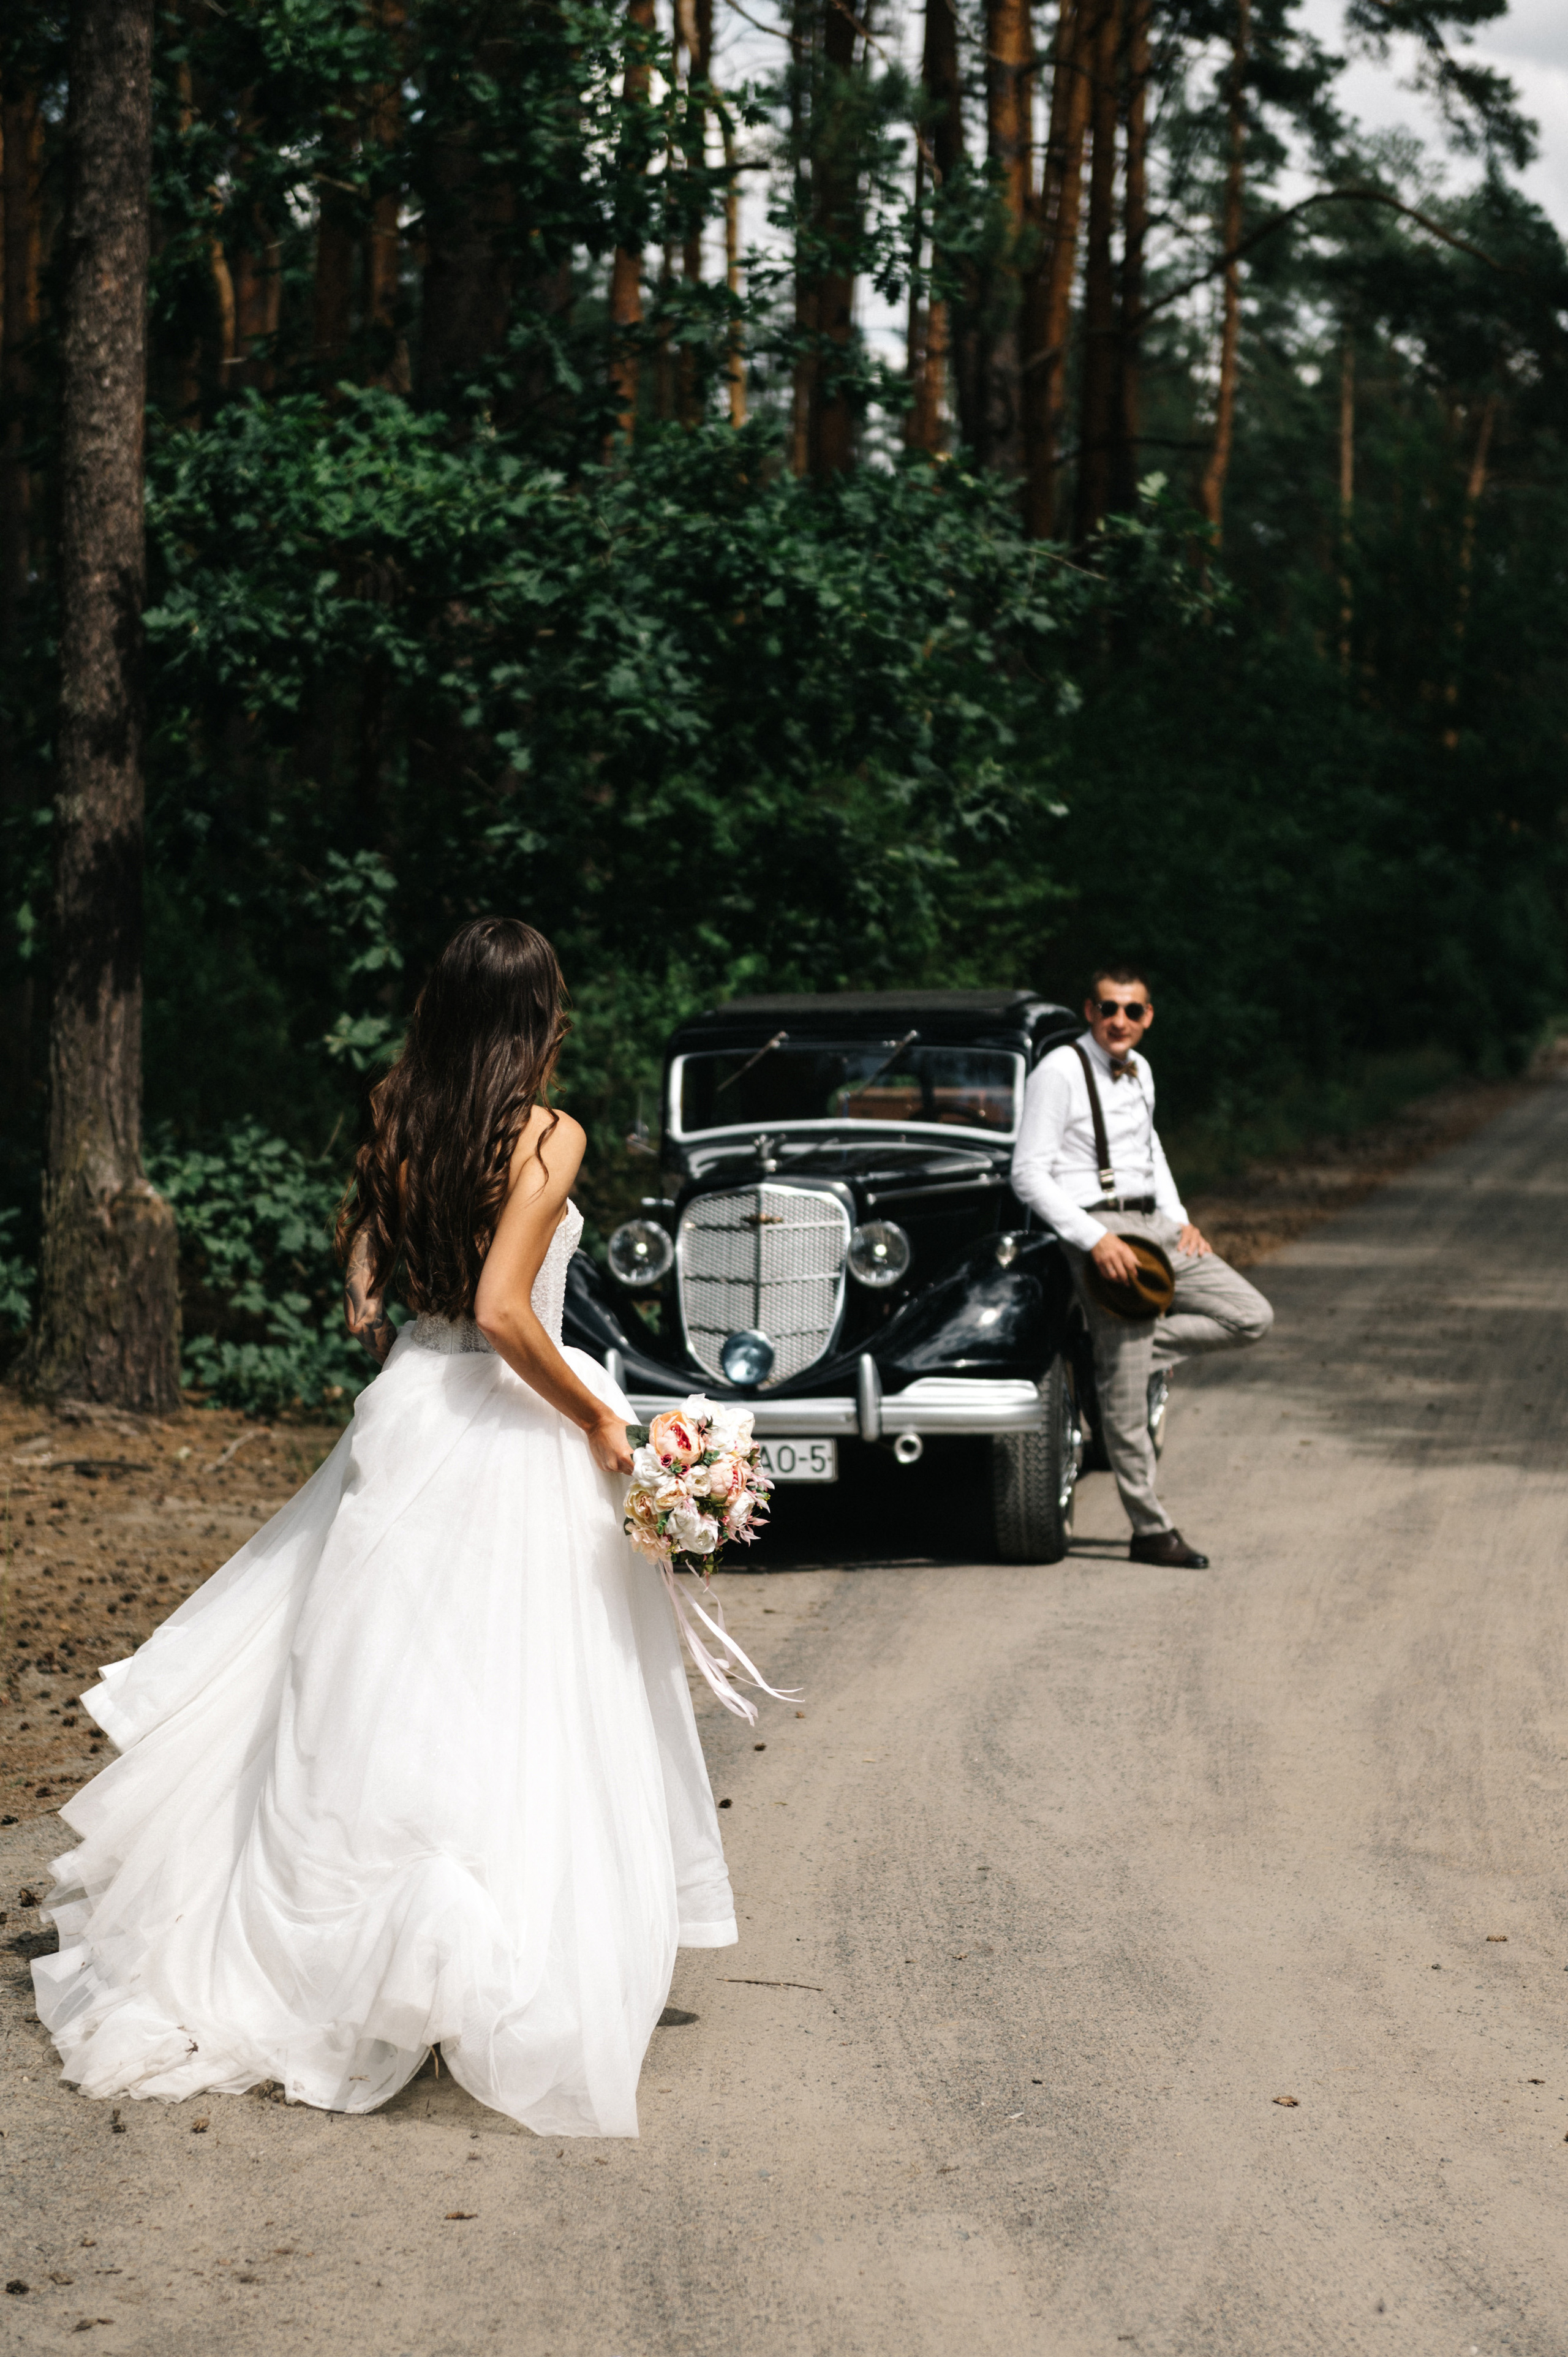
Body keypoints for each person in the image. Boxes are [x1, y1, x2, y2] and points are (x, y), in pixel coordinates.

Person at [32, 918, 737, 2137]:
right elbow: (506, 1309)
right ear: (537, 1014)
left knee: (381, 1687)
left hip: (412, 1406)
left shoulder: (401, 1106)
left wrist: (377, 1291)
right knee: (520, 1689)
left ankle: (356, 1951)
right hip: (509, 1420)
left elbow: (367, 1272)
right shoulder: (545, 1133)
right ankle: (477, 1945)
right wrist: (599, 1424)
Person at [1011, 962, 1272, 1567]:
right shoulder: (1060, 1070)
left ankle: (1116, 1363)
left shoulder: (1140, 1068)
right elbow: (1027, 1173)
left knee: (1251, 1315)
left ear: (1147, 1016)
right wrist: (1094, 1238)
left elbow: (1149, 1147)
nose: (1119, 1020)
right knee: (1127, 1404)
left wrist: (1181, 1218)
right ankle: (1149, 1530)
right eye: (1108, 1008)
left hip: (1156, 1222)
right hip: (1100, 1228)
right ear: (1089, 1010)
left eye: (1132, 1010)